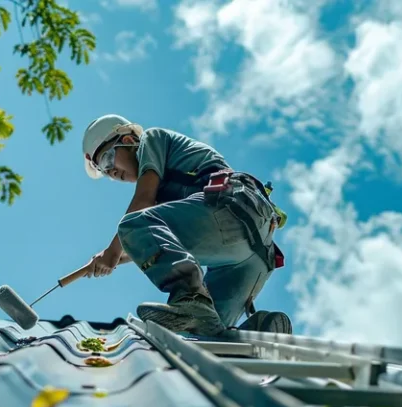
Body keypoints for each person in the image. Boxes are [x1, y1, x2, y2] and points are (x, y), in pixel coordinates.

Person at [81, 114, 291, 336]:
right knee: (203, 333)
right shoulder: (167, 207)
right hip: (255, 252)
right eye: (105, 172)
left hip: (231, 211)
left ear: (126, 140)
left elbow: (141, 205)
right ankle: (260, 328)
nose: (111, 173)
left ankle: (190, 297)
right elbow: (157, 241)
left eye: (106, 160)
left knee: (131, 224)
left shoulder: (151, 140)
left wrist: (112, 252)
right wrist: (113, 260)